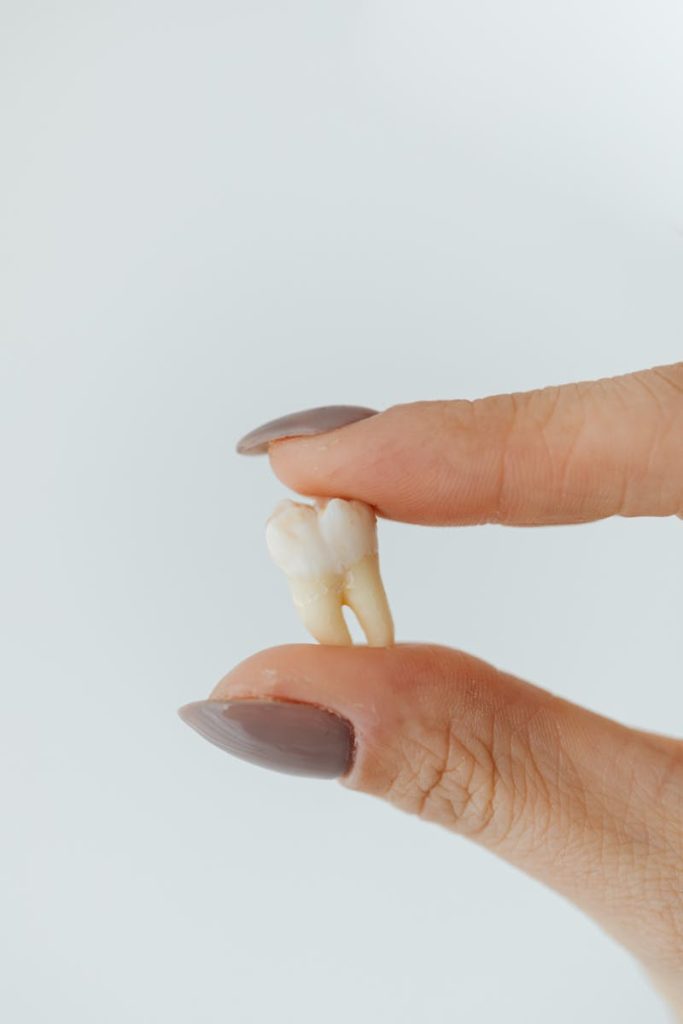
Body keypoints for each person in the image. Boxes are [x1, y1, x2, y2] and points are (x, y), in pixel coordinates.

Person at [179, 363, 683, 1013]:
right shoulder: (308, 535)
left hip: (336, 555)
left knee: (365, 626)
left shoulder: (322, 533)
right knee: (359, 625)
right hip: (330, 556)